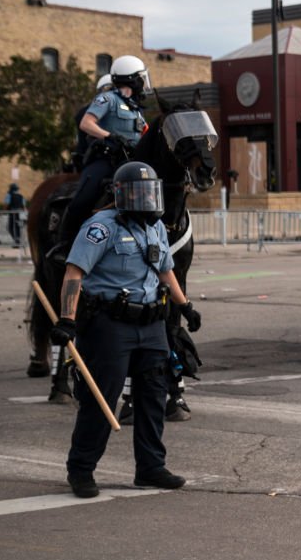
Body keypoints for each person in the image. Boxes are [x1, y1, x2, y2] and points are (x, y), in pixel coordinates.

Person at [51, 161, 202, 498]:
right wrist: (67, 320)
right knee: (100, 398)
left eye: (150, 192)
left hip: (151, 325)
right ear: (120, 195)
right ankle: (81, 469)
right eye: (137, 193)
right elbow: (74, 273)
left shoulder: (158, 228)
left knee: (153, 396)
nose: (145, 199)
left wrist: (185, 306)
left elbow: (166, 272)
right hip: (110, 326)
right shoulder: (100, 227)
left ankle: (150, 467)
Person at [49, 55, 150, 264]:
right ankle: (64, 244)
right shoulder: (108, 99)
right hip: (105, 161)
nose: (144, 83)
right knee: (83, 199)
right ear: (132, 79)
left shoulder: (136, 110)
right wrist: (109, 136)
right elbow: (86, 123)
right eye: (141, 78)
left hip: (130, 163)